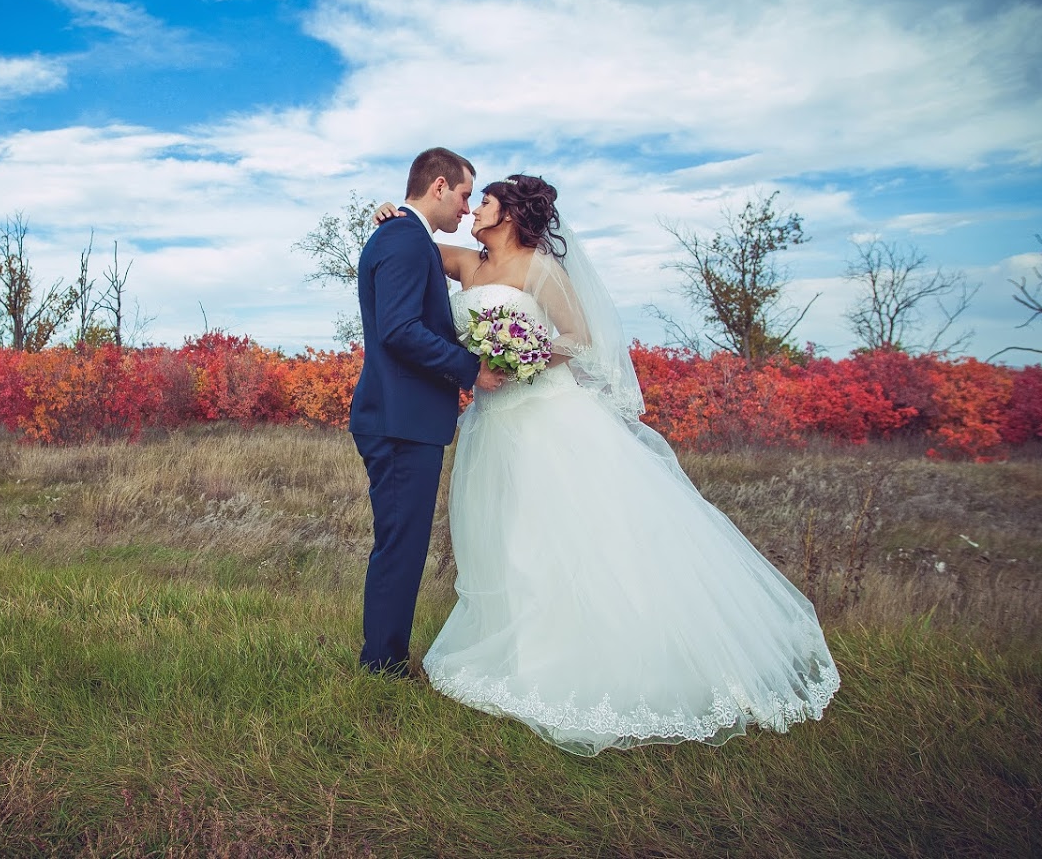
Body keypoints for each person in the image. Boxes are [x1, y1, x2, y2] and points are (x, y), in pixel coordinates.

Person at [372, 175, 839, 754]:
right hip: (494, 423)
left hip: (546, 411)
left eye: (484, 201)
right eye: (471, 198)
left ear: (510, 214)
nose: (474, 208)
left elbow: (579, 337)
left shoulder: (543, 271)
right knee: (508, 536)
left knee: (566, 532)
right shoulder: (468, 264)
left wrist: (527, 355)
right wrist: (389, 212)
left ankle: (590, 653)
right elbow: (416, 240)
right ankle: (519, 647)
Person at [349, 147, 507, 678]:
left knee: (404, 541)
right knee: (401, 544)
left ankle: (385, 656)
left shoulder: (408, 236)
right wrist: (470, 369)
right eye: (465, 195)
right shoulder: (402, 239)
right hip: (398, 420)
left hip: (405, 418)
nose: (467, 209)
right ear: (439, 186)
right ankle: (383, 665)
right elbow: (398, 331)